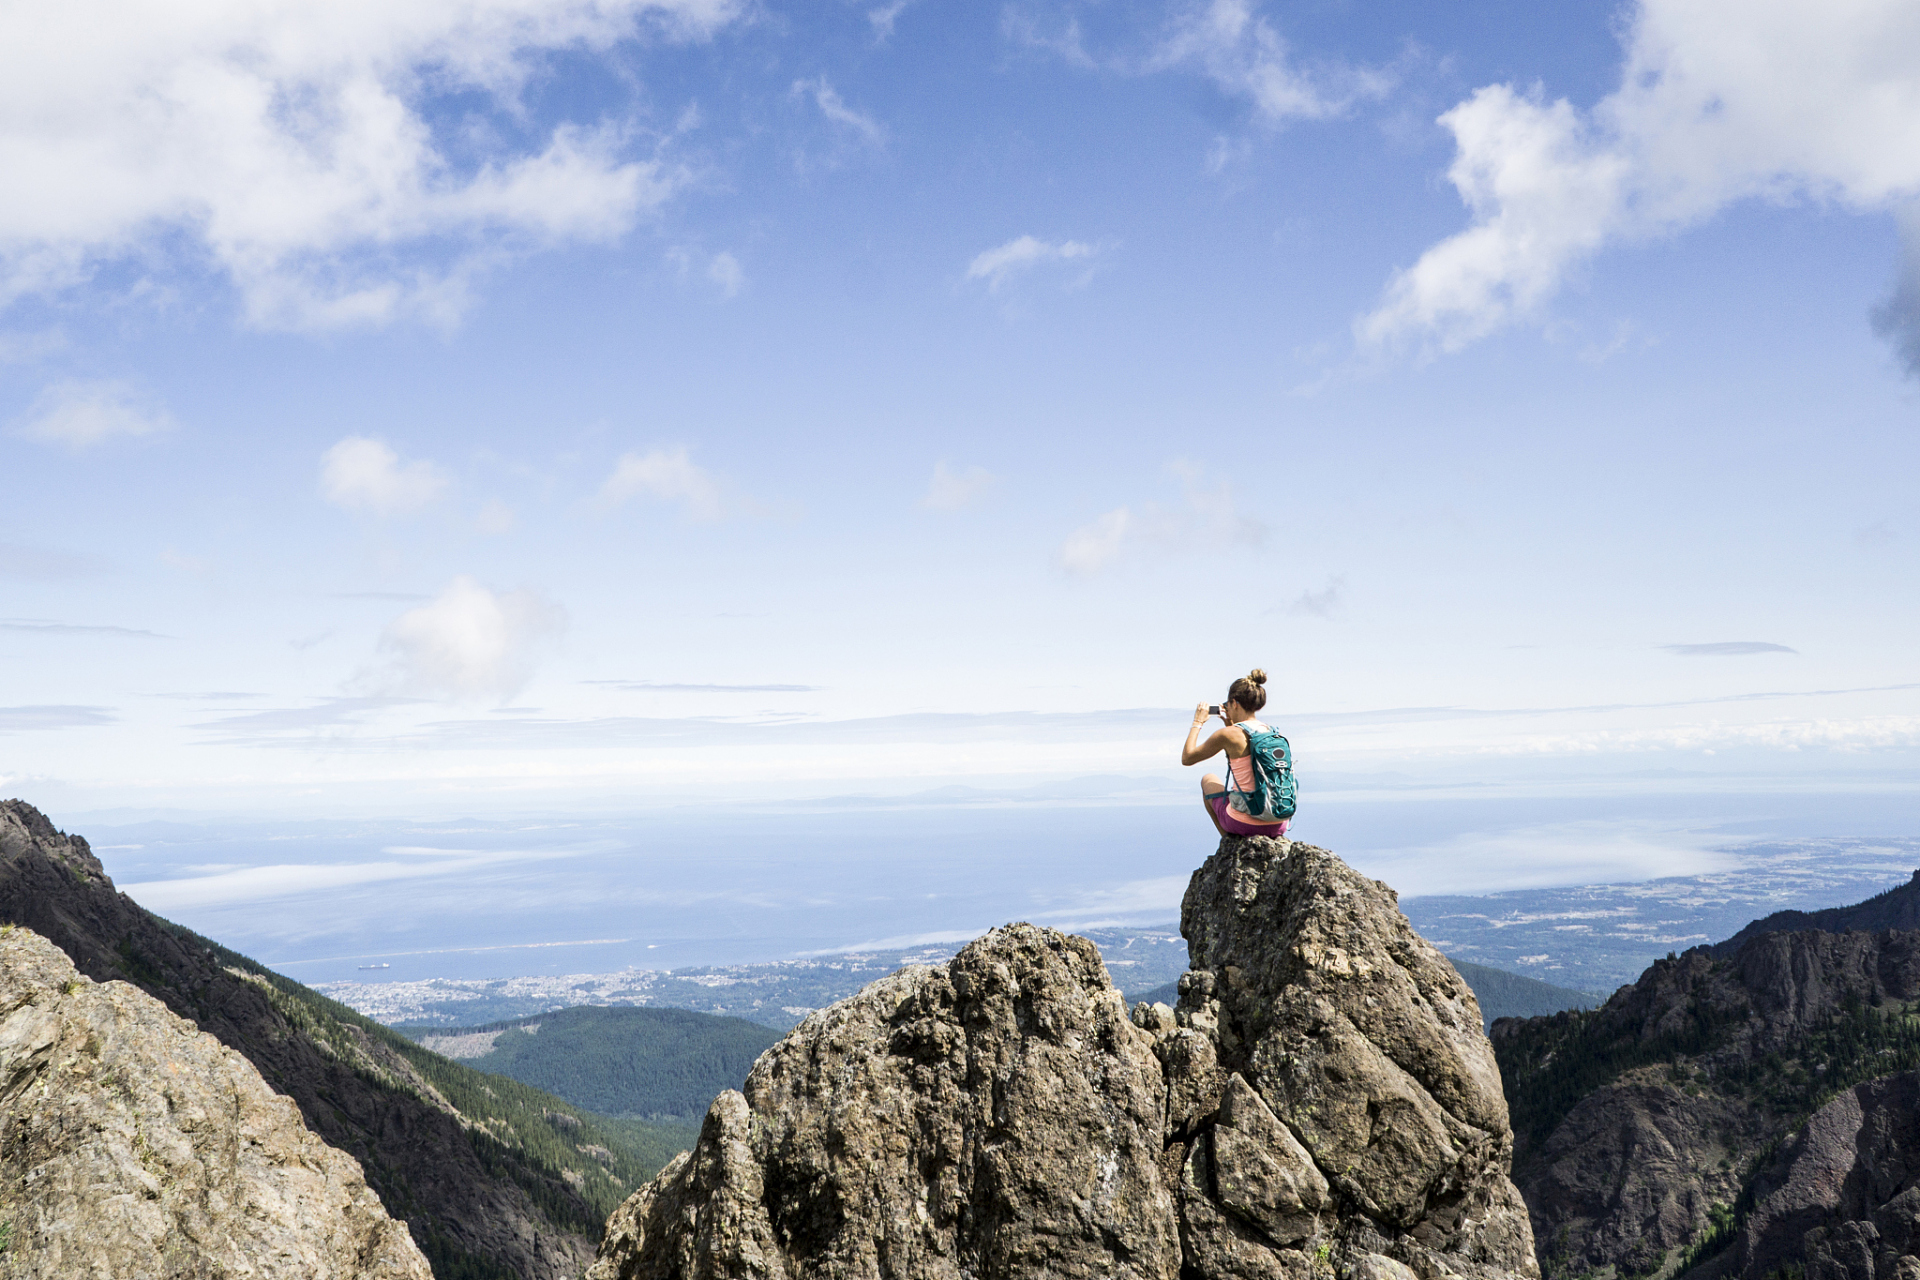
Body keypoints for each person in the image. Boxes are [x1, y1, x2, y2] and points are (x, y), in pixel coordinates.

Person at [1181, 668, 1292, 839]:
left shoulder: (1228, 734)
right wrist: (1231, 726)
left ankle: (1228, 840)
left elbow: (1187, 758)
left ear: (1234, 703)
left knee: (1208, 779)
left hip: (1243, 824)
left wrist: (1197, 722)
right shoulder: (1271, 731)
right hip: (1279, 823)